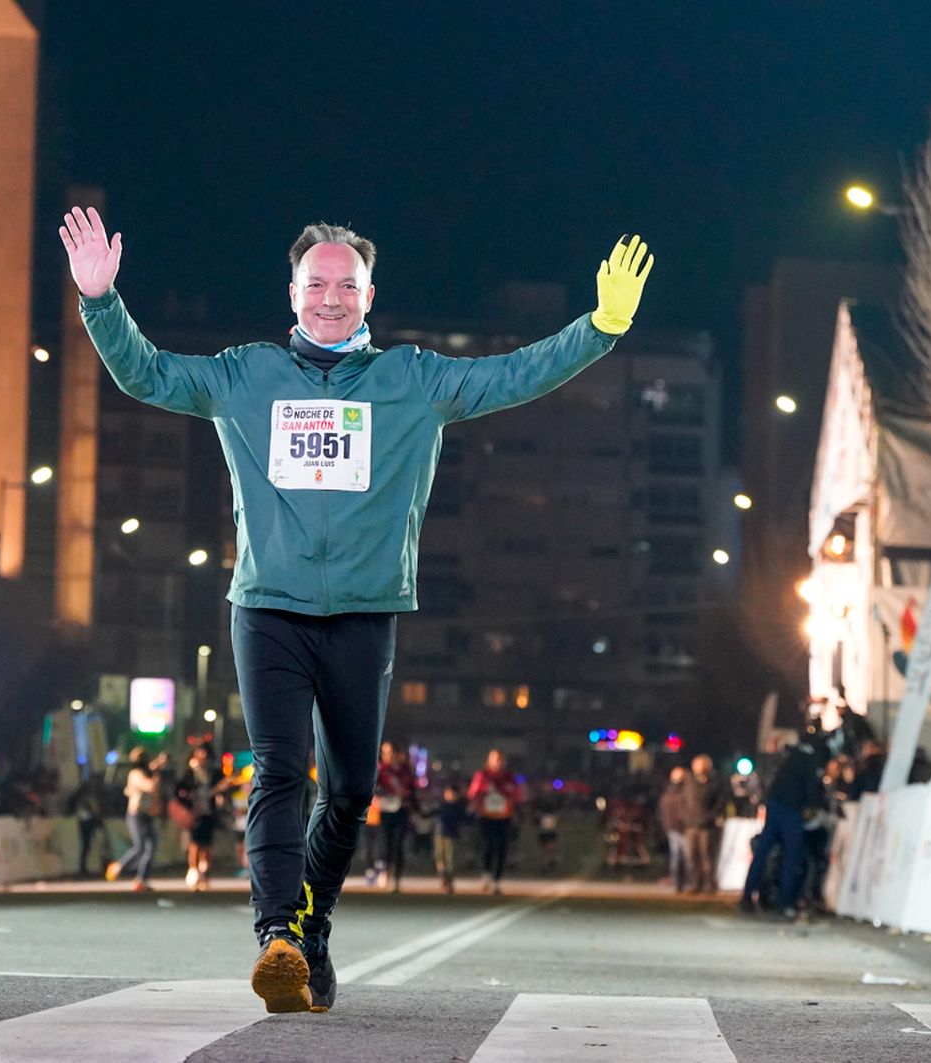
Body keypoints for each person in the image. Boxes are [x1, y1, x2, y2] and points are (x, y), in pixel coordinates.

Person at [60, 205, 652, 1014]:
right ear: (291, 292)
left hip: (365, 614)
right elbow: (148, 374)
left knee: (348, 790)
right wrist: (101, 301)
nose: (330, 297)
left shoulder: (414, 380)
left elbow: (514, 374)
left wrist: (601, 325)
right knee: (280, 769)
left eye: (347, 284)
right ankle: (275, 934)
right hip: (266, 607)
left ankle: (312, 925)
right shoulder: (244, 376)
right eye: (316, 282)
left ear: (370, 297)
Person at [739, 734, 824, 919]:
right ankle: (786, 902)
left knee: (762, 852)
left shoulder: (790, 758)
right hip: (792, 810)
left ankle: (747, 896)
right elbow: (811, 788)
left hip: (775, 804)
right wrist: (813, 805)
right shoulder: (810, 760)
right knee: (791, 856)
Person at [106, 748, 166, 892]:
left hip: (148, 814)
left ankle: (141, 879)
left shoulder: (147, 773)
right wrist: (156, 772)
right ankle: (119, 866)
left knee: (151, 847)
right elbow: (150, 786)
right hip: (137, 815)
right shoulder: (135, 774)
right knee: (139, 847)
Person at [468, 749, 521, 895]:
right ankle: (486, 875)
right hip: (487, 816)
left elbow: (518, 795)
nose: (497, 762)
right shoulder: (483, 776)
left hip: (504, 817)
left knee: (502, 848)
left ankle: (497, 880)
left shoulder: (509, 777)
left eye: (499, 759)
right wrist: (479, 801)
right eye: (494, 759)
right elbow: (473, 794)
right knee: (487, 846)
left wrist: (510, 800)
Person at [175, 744, 223, 891]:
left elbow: (221, 788)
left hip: (209, 812)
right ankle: (193, 872)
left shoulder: (213, 772)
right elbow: (178, 790)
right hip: (194, 812)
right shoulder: (188, 771)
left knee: (207, 845)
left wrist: (220, 795)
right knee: (194, 844)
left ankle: (205, 874)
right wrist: (186, 800)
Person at [681, 754, 728, 894]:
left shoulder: (715, 783)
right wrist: (684, 816)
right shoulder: (689, 783)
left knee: (708, 856)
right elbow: (683, 802)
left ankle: (710, 884)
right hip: (690, 825)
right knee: (692, 856)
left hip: (707, 826)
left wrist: (711, 816)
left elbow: (721, 801)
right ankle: (695, 883)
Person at [372, 742, 416, 892]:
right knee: (385, 842)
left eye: (390, 752)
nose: (387, 756)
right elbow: (372, 788)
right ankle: (385, 871)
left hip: (401, 810)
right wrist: (381, 795)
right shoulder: (380, 770)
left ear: (397, 754)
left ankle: (397, 877)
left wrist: (411, 802)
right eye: (384, 753)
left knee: (399, 844)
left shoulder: (405, 771)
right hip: (385, 809)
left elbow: (412, 790)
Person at [67, 775, 107, 878]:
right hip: (86, 822)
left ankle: (90, 867)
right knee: (86, 845)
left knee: (90, 845)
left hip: (88, 822)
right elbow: (89, 810)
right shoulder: (83, 798)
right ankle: (83, 868)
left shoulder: (90, 797)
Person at [658, 766, 689, 892]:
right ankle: (679, 880)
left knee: (681, 856)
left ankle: (682, 880)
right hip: (676, 828)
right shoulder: (674, 792)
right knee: (679, 855)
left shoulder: (671, 792)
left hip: (679, 827)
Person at [434, 784, 469, 894]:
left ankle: (449, 882)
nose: (450, 796)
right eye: (448, 794)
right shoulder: (441, 806)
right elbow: (431, 814)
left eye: (453, 794)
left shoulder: (459, 807)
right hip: (439, 834)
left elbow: (467, 819)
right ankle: (443, 879)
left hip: (452, 835)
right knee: (440, 858)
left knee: (451, 859)